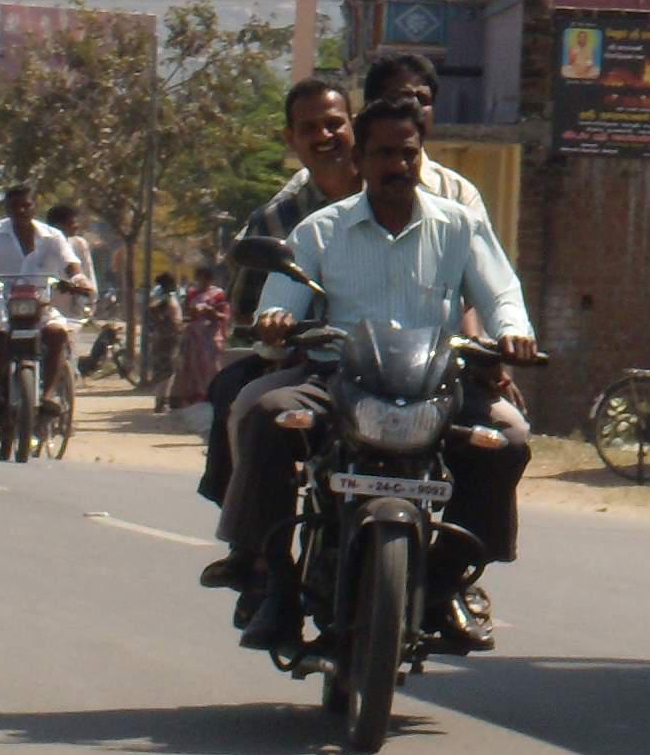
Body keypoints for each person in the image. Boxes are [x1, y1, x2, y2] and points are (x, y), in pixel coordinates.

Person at [214, 94, 534, 654]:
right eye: (384, 154)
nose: (398, 165)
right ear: (359, 159)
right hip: (338, 381)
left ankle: (449, 582)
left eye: (408, 153)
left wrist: (513, 331)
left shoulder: (459, 226)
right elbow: (282, 294)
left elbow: (502, 291)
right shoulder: (320, 229)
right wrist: (277, 317)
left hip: (436, 385)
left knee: (508, 438)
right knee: (266, 416)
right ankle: (275, 586)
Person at [203, 77, 359, 517]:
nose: (324, 136)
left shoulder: (394, 200)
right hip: (307, 364)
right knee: (240, 400)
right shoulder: (275, 219)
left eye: (334, 124)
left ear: (354, 126)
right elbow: (246, 307)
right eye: (309, 128)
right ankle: (255, 538)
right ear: (291, 139)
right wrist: (277, 323)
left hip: (397, 368)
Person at [0, 182, 90, 433]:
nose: (21, 210)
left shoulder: (52, 236)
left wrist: (78, 279)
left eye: (26, 205)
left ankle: (49, 396)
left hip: (39, 301)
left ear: (35, 206)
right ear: (7, 208)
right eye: (15, 205)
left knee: (57, 333)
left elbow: (70, 263)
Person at [356, 51, 490, 222]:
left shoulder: (456, 193)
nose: (414, 107)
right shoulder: (347, 184)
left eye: (423, 99)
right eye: (402, 97)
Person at [170, 262, 231, 411]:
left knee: (211, 366)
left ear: (210, 279)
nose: (202, 281)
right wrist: (192, 314)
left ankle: (212, 395)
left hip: (211, 336)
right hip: (194, 338)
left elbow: (224, 315)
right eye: (200, 278)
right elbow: (186, 314)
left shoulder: (218, 294)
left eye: (205, 278)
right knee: (192, 366)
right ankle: (193, 397)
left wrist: (211, 311)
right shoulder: (192, 294)